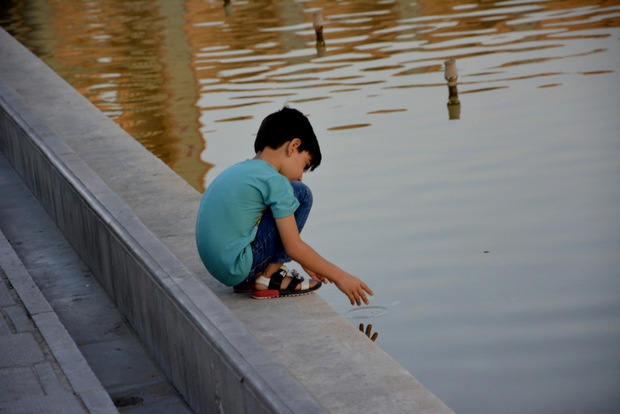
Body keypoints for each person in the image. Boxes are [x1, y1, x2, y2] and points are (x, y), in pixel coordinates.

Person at [195, 106, 373, 306]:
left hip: (223, 269)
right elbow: (293, 246)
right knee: (300, 192)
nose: (300, 175)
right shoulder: (274, 181)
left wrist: (307, 261)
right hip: (239, 268)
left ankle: (256, 278)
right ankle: (269, 279)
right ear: (293, 146)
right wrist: (341, 277)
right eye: (304, 165)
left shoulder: (239, 170)